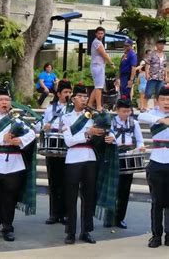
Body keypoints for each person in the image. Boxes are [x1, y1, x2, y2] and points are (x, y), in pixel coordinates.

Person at [0, 86, 37, 242]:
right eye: (1, 100)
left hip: (14, 165)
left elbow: (31, 133)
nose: (5, 102)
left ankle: (8, 227)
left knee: (10, 197)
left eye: (7, 100)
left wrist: (21, 140)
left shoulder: (16, 119)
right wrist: (1, 139)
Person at [62, 83, 116, 244]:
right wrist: (87, 133)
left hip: (90, 157)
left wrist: (110, 136)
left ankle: (86, 231)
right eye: (80, 96)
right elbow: (69, 141)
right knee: (71, 196)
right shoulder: (66, 117)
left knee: (89, 196)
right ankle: (70, 232)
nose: (84, 99)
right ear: (73, 99)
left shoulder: (93, 115)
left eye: (86, 97)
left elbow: (106, 130)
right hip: (73, 157)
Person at [103, 97, 144, 229]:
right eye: (124, 111)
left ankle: (120, 218)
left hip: (128, 157)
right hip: (114, 155)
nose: (127, 114)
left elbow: (139, 140)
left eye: (129, 111)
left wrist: (140, 147)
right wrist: (110, 139)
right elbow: (107, 137)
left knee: (125, 190)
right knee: (112, 189)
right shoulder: (110, 122)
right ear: (117, 110)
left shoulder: (134, 123)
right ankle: (108, 219)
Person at [138, 86, 169, 248]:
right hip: (156, 162)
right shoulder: (153, 114)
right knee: (157, 202)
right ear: (157, 101)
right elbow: (140, 116)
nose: (167, 102)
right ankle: (156, 235)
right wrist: (161, 120)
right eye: (163, 99)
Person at [40, 81, 72, 224]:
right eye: (65, 92)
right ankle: (54, 213)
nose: (68, 95)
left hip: (68, 149)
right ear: (59, 94)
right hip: (52, 149)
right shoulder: (50, 108)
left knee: (67, 182)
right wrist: (44, 127)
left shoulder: (73, 109)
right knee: (53, 181)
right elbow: (42, 125)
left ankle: (65, 213)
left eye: (70, 92)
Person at [88, 27, 116, 111]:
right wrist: (111, 63)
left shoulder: (99, 42)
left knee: (97, 87)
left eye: (102, 33)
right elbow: (104, 54)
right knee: (99, 87)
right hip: (97, 66)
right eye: (99, 33)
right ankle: (99, 106)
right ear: (96, 34)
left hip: (99, 66)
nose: (100, 35)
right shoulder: (97, 42)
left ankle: (89, 104)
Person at [145, 39, 167, 108]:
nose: (162, 45)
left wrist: (165, 76)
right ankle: (145, 107)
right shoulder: (152, 54)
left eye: (163, 44)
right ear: (156, 45)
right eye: (160, 44)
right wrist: (147, 74)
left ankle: (157, 108)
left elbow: (165, 66)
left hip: (161, 78)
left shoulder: (164, 55)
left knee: (159, 94)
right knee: (148, 93)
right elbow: (147, 64)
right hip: (152, 76)